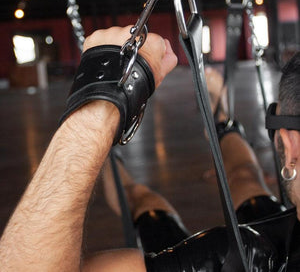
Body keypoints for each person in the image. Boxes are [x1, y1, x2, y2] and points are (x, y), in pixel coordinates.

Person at [0, 25, 299, 271]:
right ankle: (221, 121)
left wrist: (96, 117)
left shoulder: (254, 257)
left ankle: (108, 159)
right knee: (245, 176)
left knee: (144, 202)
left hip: (254, 246)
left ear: (287, 143)